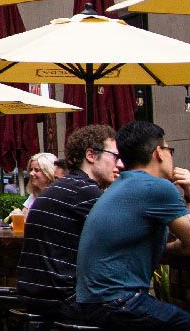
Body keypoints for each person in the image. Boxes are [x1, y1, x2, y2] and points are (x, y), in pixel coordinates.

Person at [68, 121, 190, 331]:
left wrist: (184, 227)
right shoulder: (155, 187)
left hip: (94, 301)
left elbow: (170, 243)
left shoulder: (121, 185)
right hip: (119, 302)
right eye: (169, 150)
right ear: (159, 152)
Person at [14, 126, 119, 309]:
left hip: (32, 293)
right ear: (91, 155)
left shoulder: (59, 188)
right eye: (115, 156)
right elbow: (121, 239)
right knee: (167, 318)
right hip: (64, 299)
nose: (120, 164)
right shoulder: (85, 191)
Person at [14, 151, 61, 216]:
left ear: (49, 172)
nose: (31, 173)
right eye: (31, 169)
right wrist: (18, 215)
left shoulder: (58, 196)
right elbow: (24, 215)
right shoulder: (35, 194)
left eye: (36, 170)